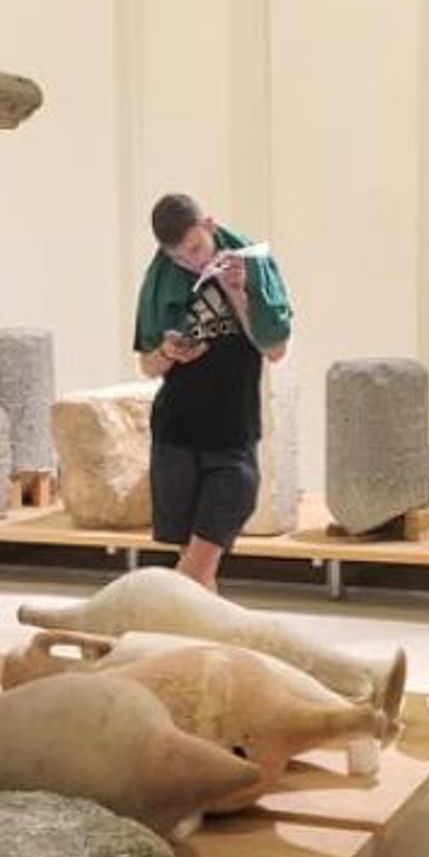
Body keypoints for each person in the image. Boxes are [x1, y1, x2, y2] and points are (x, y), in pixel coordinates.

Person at [132, 193, 293, 590]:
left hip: (232, 434)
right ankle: (191, 632)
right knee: (198, 568)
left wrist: (236, 291)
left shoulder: (250, 260)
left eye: (196, 249)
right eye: (179, 257)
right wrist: (167, 352)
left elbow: (275, 349)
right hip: (176, 434)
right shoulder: (161, 277)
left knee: (199, 562)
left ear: (209, 225)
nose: (193, 262)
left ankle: (148, 618)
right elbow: (147, 365)